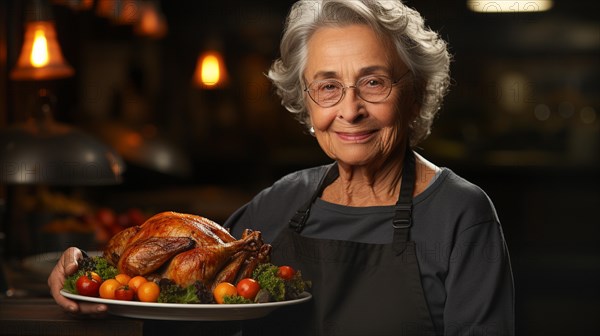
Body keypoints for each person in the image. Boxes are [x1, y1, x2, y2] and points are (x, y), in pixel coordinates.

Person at [48, 0, 515, 335]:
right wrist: (75, 272)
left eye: (373, 83)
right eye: (328, 87)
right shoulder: (279, 203)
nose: (349, 110)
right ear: (307, 103)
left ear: (413, 95)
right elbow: (169, 297)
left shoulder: (460, 214)